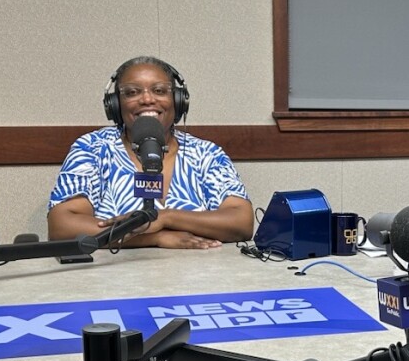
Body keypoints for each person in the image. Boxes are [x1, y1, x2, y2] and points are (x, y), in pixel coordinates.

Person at [47, 56, 254, 249]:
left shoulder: (206, 153)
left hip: (200, 274)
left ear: (178, 100)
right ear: (115, 105)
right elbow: (62, 227)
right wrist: (154, 238)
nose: (147, 99)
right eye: (132, 92)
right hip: (116, 275)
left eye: (159, 91)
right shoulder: (92, 149)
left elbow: (241, 222)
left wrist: (166, 217)